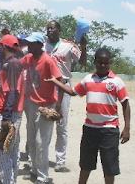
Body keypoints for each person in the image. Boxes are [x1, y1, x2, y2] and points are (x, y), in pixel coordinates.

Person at [44, 47, 131, 184]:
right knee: (86, 164)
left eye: (106, 63)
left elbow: (125, 104)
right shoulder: (88, 79)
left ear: (110, 63)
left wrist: (127, 128)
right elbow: (72, 92)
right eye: (100, 62)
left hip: (109, 130)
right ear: (95, 62)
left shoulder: (116, 82)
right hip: (90, 129)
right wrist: (56, 82)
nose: (103, 66)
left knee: (109, 165)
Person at [45, 20, 87, 172]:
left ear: (59, 30)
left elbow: (82, 62)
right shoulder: (43, 46)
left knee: (61, 124)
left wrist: (83, 47)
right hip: (47, 86)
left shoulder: (68, 45)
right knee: (44, 122)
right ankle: (40, 157)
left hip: (63, 86)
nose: (49, 30)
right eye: (48, 28)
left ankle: (60, 160)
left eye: (52, 28)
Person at [20, 32, 63, 184]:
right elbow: (17, 64)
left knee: (41, 141)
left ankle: (43, 177)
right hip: (32, 104)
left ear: (40, 45)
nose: (29, 46)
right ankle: (34, 170)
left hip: (46, 104)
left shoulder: (48, 61)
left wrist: (58, 105)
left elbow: (60, 80)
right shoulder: (29, 58)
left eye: (32, 43)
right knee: (31, 139)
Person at [0, 34, 24, 183]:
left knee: (2, 151)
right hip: (12, 112)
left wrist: (6, 117)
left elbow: (13, 91)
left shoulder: (12, 64)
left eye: (0, 45)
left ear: (4, 47)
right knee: (12, 150)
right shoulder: (12, 63)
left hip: (8, 112)